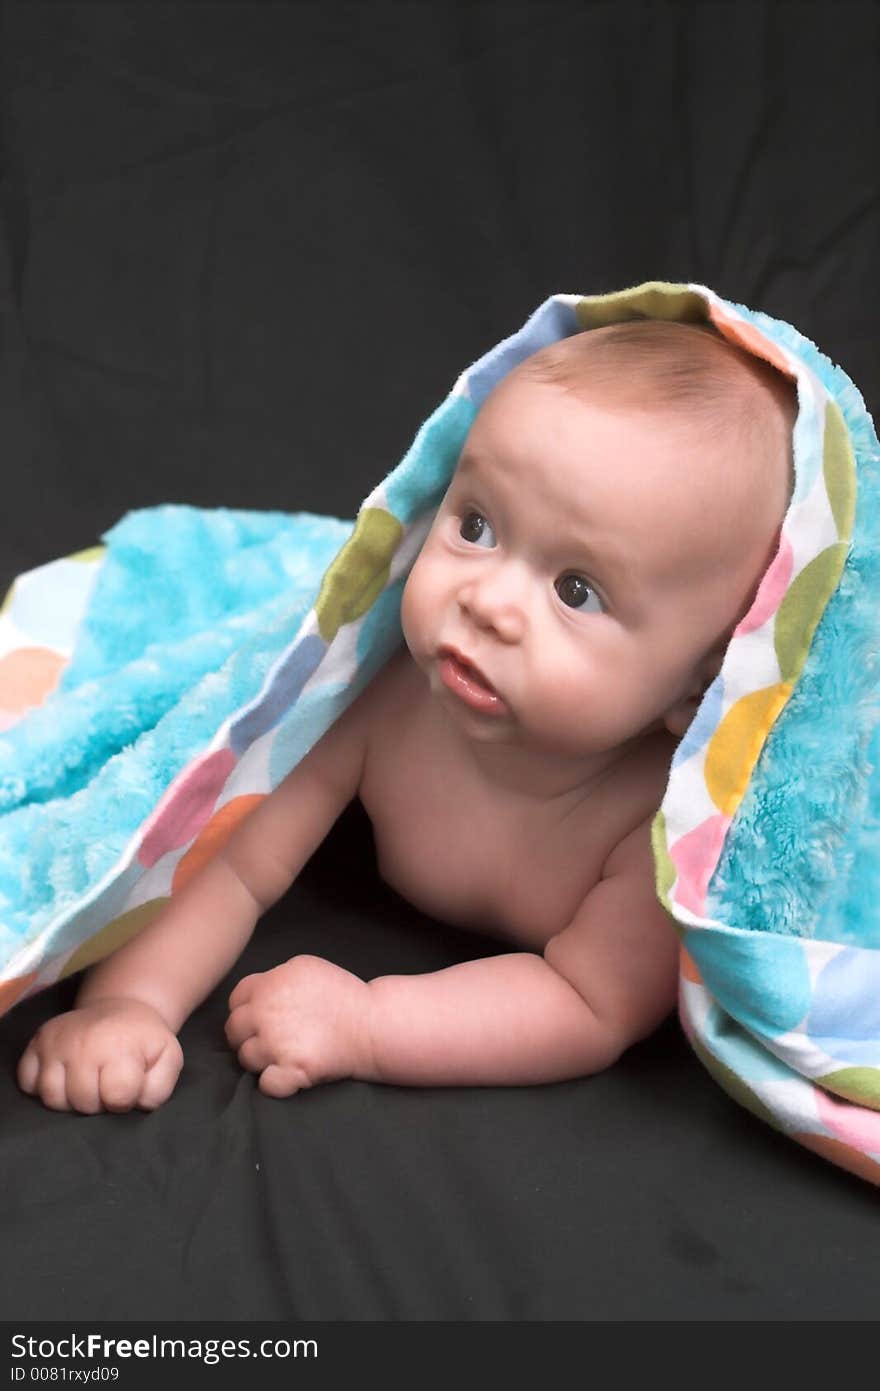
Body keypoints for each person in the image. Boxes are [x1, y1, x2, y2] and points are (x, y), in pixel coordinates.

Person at [16, 319, 797, 1112]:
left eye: (577, 590)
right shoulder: (387, 697)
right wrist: (132, 1005)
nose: (486, 603)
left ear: (701, 687)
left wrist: (370, 1023)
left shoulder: (668, 834)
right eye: (477, 525)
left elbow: (587, 1003)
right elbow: (237, 856)